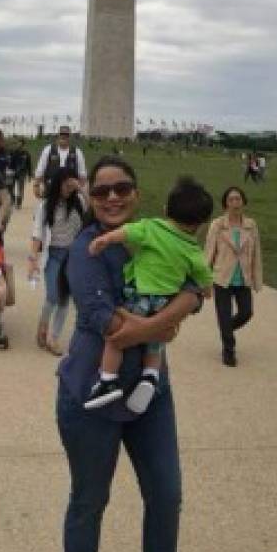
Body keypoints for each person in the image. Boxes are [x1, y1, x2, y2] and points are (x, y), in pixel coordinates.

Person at [57, 156, 203, 552]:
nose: (113, 197)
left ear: (137, 193)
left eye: (122, 188)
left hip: (150, 393)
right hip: (91, 394)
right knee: (89, 501)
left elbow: (195, 289)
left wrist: (178, 309)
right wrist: (163, 325)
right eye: (102, 190)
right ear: (90, 195)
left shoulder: (158, 234)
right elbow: (107, 322)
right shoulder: (87, 247)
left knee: (167, 496)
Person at [84, 176, 213, 413]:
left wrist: (104, 239)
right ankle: (150, 377)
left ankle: (107, 381)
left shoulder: (153, 228)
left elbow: (126, 232)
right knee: (156, 343)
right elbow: (203, 278)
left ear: (166, 210)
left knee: (115, 341)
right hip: (165, 303)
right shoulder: (193, 250)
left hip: (140, 296)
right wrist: (207, 291)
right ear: (202, 222)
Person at [204, 185, 263, 367]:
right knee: (224, 313)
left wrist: (256, 278)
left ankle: (225, 329)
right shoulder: (217, 225)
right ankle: (229, 351)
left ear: (243, 202)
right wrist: (204, 280)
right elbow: (208, 253)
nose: (235, 203)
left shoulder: (251, 225)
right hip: (223, 277)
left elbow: (256, 254)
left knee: (246, 312)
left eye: (238, 199)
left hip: (243, 278)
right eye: (231, 199)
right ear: (225, 204)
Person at [29, 167, 85, 356]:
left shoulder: (80, 203)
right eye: (66, 182)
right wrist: (33, 259)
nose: (69, 187)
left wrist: (81, 189)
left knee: (64, 300)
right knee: (53, 295)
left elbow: (95, 212)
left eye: (72, 182)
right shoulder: (46, 206)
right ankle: (43, 328)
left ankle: (53, 338)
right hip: (53, 256)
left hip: (73, 257)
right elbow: (37, 234)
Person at [33, 125, 87, 199]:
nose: (63, 137)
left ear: (70, 137)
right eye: (61, 134)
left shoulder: (77, 152)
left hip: (70, 193)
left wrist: (80, 190)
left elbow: (82, 174)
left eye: (66, 135)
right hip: (50, 191)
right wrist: (36, 185)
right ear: (58, 136)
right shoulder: (48, 150)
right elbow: (40, 170)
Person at [11, 137, 33, 209]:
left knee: (20, 189)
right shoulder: (13, 152)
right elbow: (10, 163)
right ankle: (13, 200)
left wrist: (30, 175)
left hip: (22, 173)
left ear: (23, 144)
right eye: (17, 143)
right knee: (11, 188)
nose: (18, 144)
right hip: (13, 172)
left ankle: (19, 203)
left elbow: (29, 165)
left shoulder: (26, 154)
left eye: (20, 143)